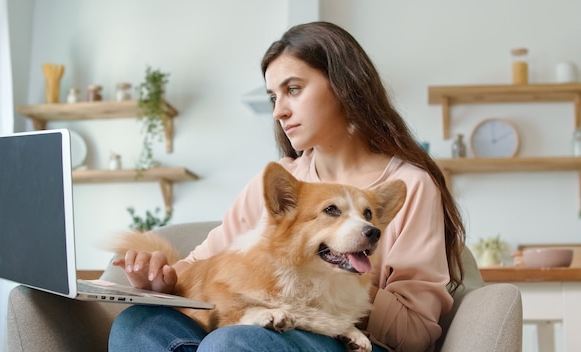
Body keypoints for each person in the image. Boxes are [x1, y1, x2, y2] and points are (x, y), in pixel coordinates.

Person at [109, 21, 465, 352]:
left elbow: (417, 334)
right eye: (273, 97)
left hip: (347, 341)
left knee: (232, 343)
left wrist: (336, 274)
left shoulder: (411, 185)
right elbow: (205, 267)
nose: (279, 111)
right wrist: (161, 282)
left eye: (293, 89)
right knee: (138, 325)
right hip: (253, 325)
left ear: (345, 84)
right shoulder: (281, 181)